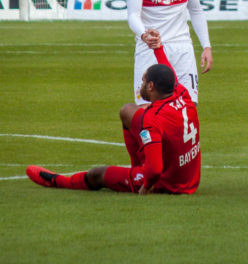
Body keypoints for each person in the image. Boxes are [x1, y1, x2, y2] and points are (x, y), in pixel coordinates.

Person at [26, 45, 202, 195]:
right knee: (128, 111)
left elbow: (155, 170)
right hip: (190, 177)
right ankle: (137, 167)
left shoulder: (152, 118)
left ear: (151, 86)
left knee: (98, 174)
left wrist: (146, 186)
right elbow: (168, 73)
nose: (140, 86)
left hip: (168, 183)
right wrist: (158, 49)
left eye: (143, 81)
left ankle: (59, 181)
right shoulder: (181, 92)